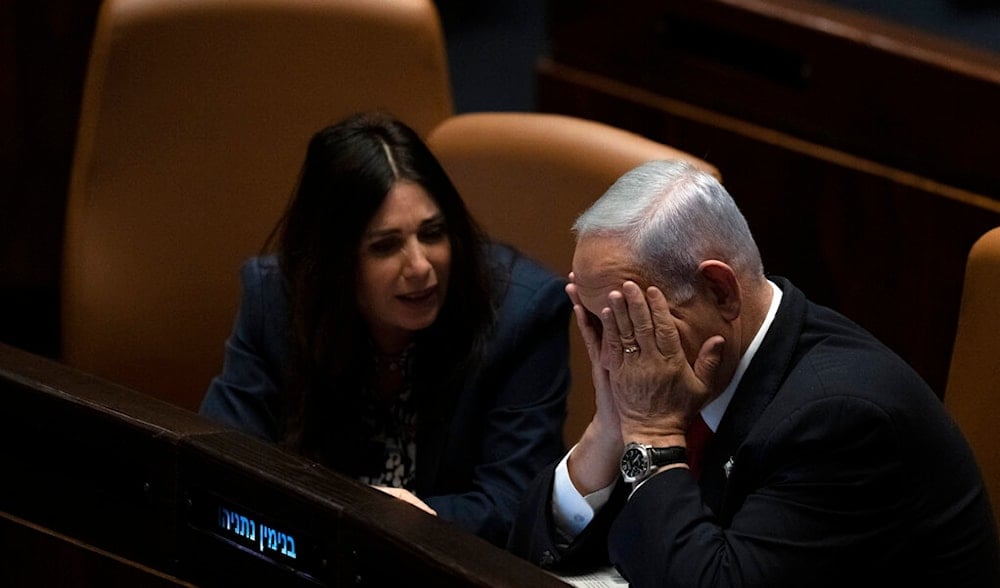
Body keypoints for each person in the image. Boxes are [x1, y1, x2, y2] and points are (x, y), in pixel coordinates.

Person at [507, 159, 1000, 586]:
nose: (615, 357)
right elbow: (527, 551)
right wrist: (610, 429)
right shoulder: (678, 383)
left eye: (632, 325)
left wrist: (652, 434)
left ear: (720, 290)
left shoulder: (840, 417)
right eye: (597, 325)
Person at [199, 111, 571, 547]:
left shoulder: (522, 315)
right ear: (334, 262)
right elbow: (223, 462)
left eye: (432, 233)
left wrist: (397, 522)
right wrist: (348, 513)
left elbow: (515, 507)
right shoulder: (275, 301)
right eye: (386, 245)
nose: (419, 266)